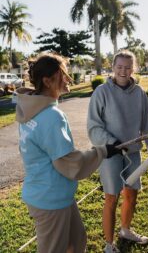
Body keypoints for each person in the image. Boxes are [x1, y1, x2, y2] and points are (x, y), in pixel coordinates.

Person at [15, 52, 123, 253]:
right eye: (62, 74)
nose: (68, 78)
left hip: (51, 193)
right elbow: (69, 164)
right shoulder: (51, 116)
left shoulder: (28, 108)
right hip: (50, 199)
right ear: (47, 81)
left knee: (76, 241)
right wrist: (103, 152)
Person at [87, 51, 148, 253]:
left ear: (134, 69)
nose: (123, 71)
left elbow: (147, 124)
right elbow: (93, 126)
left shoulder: (139, 93)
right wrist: (111, 143)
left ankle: (125, 230)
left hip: (132, 153)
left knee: (131, 195)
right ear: (113, 67)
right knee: (111, 198)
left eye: (128, 67)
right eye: (119, 66)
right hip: (111, 154)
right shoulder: (102, 92)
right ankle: (109, 244)